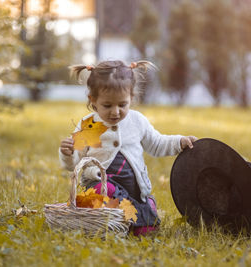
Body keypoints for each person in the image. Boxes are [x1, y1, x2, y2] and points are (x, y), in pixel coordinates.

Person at [59, 60, 197, 236]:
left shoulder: (137, 121)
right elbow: (74, 164)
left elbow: (157, 143)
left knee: (145, 232)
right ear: (93, 100)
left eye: (122, 105)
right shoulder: (88, 125)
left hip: (134, 191)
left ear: (131, 98)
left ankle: (144, 209)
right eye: (107, 105)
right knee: (103, 191)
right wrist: (67, 154)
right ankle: (115, 218)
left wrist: (179, 142)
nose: (115, 112)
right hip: (102, 188)